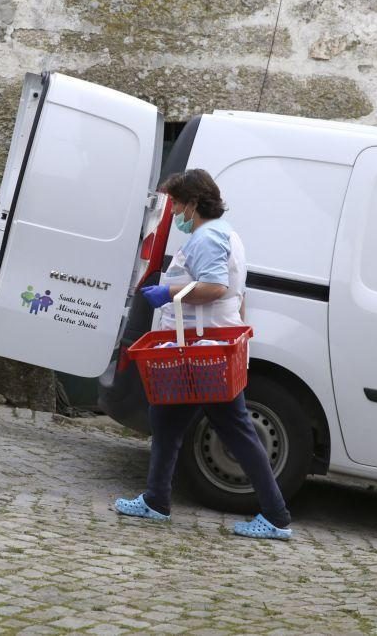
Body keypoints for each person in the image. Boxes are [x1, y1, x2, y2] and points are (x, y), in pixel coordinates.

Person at [114, 169, 293, 540]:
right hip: (203, 346)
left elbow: (214, 287)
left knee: (236, 430)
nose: (175, 211)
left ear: (193, 203)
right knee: (166, 419)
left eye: (178, 203)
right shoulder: (225, 233)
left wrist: (169, 294)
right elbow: (237, 296)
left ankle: (276, 516)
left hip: (200, 349)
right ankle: (156, 500)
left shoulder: (207, 237)